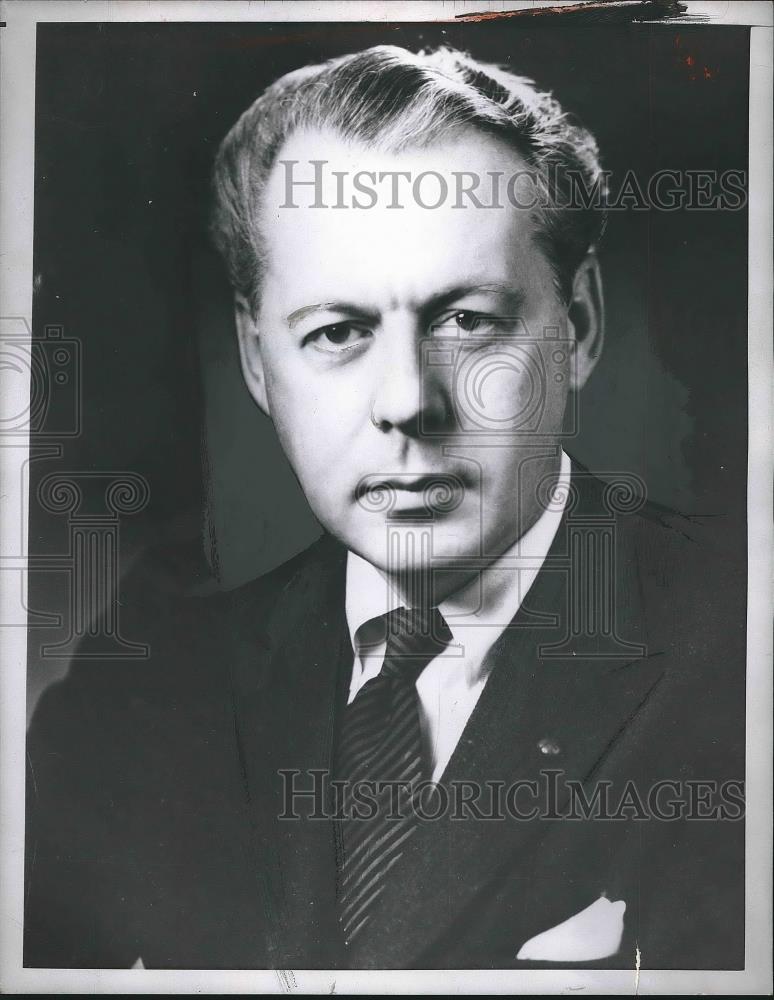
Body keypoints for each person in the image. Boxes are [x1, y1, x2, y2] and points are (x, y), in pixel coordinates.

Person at [24, 44, 744, 971]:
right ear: (256, 361)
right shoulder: (133, 702)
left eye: (466, 321)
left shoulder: (740, 652)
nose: (407, 399)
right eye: (337, 332)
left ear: (578, 326)